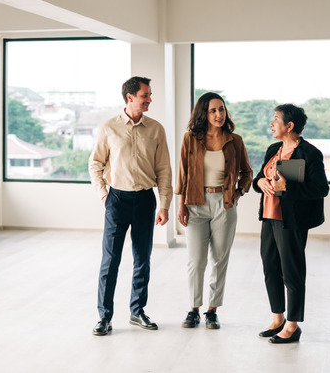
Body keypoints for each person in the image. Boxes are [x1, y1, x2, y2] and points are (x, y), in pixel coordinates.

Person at [88, 76, 173, 336]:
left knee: (143, 259)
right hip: (116, 199)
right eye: (145, 95)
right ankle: (104, 317)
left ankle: (137, 311)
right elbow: (95, 164)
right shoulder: (109, 127)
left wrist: (165, 204)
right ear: (130, 97)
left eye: (149, 94)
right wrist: (104, 196)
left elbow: (164, 170)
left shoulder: (156, 129)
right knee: (110, 261)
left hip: (145, 200)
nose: (149, 99)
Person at [252, 103, 329, 344]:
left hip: (292, 220)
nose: (271, 124)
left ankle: (293, 325)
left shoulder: (310, 153)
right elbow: (259, 178)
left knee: (292, 271)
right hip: (269, 216)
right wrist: (260, 183)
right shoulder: (273, 148)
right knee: (270, 268)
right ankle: (278, 319)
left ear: (289, 125)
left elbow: (321, 188)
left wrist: (289, 187)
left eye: (276, 119)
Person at [175, 92, 253, 329]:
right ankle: (193, 309)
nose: (219, 114)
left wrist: (238, 193)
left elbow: (247, 173)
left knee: (220, 259)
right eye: (213, 110)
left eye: (222, 109)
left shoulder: (235, 141)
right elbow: (183, 174)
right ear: (203, 113)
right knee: (196, 260)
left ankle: (212, 310)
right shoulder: (191, 139)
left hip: (225, 204)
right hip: (195, 203)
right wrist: (181, 205)